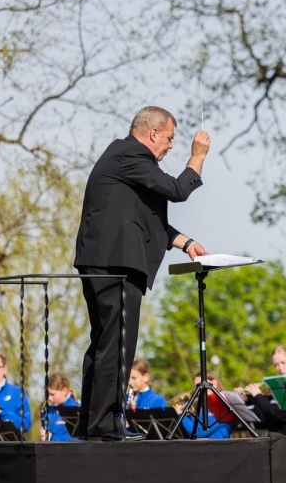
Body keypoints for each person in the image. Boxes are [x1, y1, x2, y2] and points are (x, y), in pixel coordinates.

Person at [74, 106, 210, 441]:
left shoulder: (123, 159)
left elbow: (147, 218)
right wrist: (198, 156)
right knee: (117, 345)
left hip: (103, 263)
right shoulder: (132, 155)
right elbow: (178, 190)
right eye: (169, 138)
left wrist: (185, 242)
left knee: (105, 343)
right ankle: (105, 426)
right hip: (115, 265)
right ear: (152, 134)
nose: (171, 145)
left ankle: (93, 424)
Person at [238, 345, 286, 453]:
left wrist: (258, 395)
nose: (280, 368)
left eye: (283, 363)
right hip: (277, 442)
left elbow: (279, 414)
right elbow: (265, 415)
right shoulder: (276, 385)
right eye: (276, 365)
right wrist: (247, 400)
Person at [43, 373, 79, 442]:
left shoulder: (76, 410)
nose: (49, 398)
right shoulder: (48, 411)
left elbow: (78, 438)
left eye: (52, 394)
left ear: (64, 391)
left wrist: (52, 438)